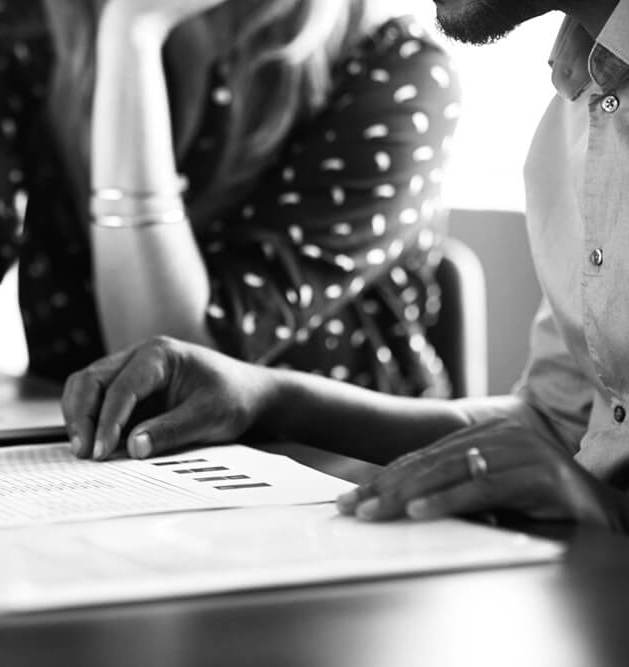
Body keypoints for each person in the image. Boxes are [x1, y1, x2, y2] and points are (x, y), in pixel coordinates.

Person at [0, 0, 459, 486]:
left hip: (331, 484)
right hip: (105, 474)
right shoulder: (25, 25)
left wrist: (132, 32)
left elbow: (178, 368)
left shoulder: (394, 67)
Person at [61, 0, 629, 531]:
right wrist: (266, 396)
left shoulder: (393, 67)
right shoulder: (578, 110)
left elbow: (573, 466)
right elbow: (554, 428)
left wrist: (603, 505)